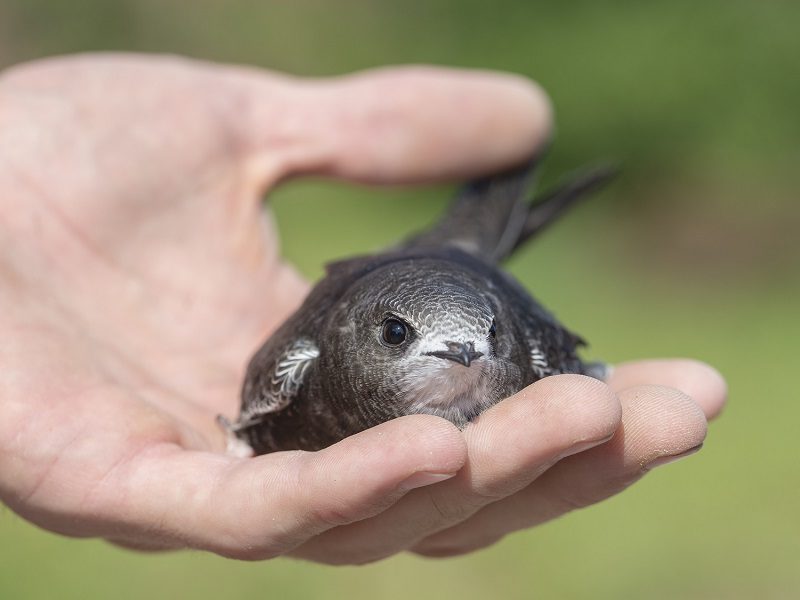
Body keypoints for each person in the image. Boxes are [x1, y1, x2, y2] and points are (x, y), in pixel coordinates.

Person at [0, 54, 726, 564]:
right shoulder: (306, 359)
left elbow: (495, 339)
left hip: (462, 268)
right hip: (415, 271)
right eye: (402, 336)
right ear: (362, 335)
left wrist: (573, 368)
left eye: (483, 339)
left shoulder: (511, 345)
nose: (466, 354)